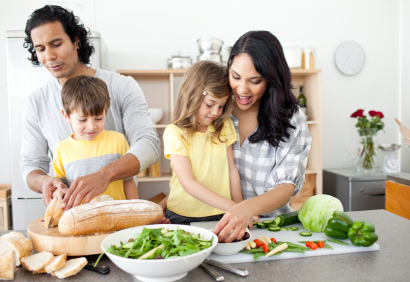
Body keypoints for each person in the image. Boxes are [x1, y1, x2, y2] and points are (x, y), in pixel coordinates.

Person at [21, 5, 159, 209]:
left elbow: (149, 145)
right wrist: (43, 182)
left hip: (119, 210)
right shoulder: (36, 102)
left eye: (56, 44)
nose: (49, 56)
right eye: (40, 49)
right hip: (74, 214)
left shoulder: (122, 86)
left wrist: (105, 175)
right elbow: (31, 165)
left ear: (76, 40)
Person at [213, 30, 312, 242]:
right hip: (216, 227)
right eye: (235, 77)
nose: (242, 89)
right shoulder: (216, 110)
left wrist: (245, 209)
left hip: (271, 230)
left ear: (271, 78)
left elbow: (286, 186)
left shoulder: (291, 118)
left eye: (255, 81)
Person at [163, 60, 244, 224]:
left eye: (221, 106)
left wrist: (241, 207)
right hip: (182, 215)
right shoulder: (175, 132)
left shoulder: (224, 125)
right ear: (192, 96)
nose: (216, 112)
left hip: (221, 212)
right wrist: (233, 207)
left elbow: (232, 172)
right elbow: (188, 184)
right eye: (210, 104)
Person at [52, 75, 138, 202]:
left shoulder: (118, 141)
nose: (91, 127)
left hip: (118, 217)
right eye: (82, 120)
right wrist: (58, 193)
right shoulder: (62, 149)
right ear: (67, 115)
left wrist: (136, 212)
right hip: (81, 219)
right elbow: (62, 186)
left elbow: (129, 181)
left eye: (98, 118)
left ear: (105, 112)